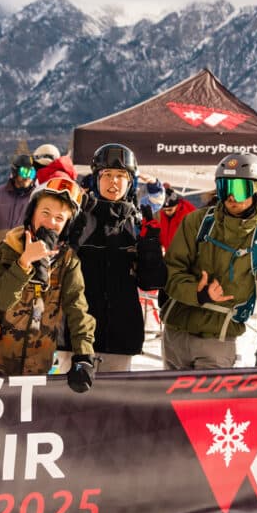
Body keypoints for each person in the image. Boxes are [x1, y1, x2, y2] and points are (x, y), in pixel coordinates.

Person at [161, 153, 257, 382]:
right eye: (225, 188)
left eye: (240, 189)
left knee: (206, 414)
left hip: (217, 341)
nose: (232, 197)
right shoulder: (196, 223)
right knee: (172, 414)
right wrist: (198, 292)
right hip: (176, 335)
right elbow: (171, 272)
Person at [0, 176, 95, 383]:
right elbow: (0, 300)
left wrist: (84, 356)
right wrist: (25, 262)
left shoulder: (68, 261)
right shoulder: (10, 247)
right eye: (45, 213)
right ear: (32, 213)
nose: (51, 222)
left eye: (60, 218)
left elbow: (77, 309)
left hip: (36, 370)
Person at [66, 143, 166, 373]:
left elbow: (151, 282)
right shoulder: (79, 218)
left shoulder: (136, 222)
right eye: (107, 175)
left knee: (114, 408)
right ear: (96, 179)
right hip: (76, 338)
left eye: (121, 176)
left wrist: (150, 245)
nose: (113, 182)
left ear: (131, 181)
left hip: (121, 336)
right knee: (71, 407)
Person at [0, 154, 36, 248]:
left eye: (32, 173)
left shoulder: (35, 196)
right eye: (24, 172)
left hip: (22, 250)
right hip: (1, 247)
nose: (28, 177)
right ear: (15, 172)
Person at [158, 187, 196, 252]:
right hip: (168, 254)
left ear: (177, 205)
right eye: (164, 210)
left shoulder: (187, 215)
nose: (167, 212)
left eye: (170, 209)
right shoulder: (161, 215)